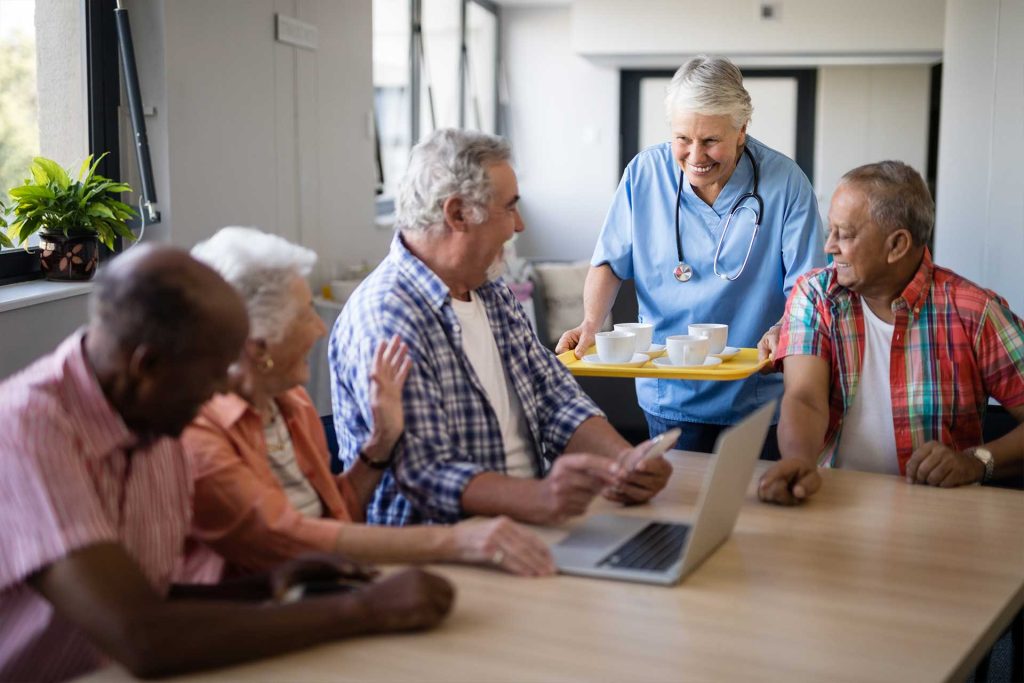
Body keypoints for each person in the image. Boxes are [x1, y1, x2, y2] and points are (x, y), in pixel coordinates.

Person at [0, 245, 453, 682]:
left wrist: (263, 587)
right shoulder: (27, 430)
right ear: (147, 365)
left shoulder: (154, 418)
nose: (221, 390)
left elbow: (148, 598)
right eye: (214, 372)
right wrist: (366, 609)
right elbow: (142, 636)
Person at [330, 128, 673, 526]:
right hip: (441, 551)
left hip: (525, 524)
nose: (520, 225)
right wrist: (540, 497)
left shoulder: (488, 288)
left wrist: (626, 462)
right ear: (457, 214)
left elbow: (553, 393)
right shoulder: (388, 316)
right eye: (509, 207)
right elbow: (427, 472)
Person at [183, 227, 554, 578]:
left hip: (318, 592)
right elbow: (288, 538)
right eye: (306, 314)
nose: (320, 328)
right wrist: (455, 541)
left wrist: (381, 442)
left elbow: (336, 519)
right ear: (257, 347)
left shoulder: (290, 403)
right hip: (256, 619)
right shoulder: (197, 436)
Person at [556, 55, 824, 458]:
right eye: (683, 138)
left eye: (711, 140)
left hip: (755, 395)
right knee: (674, 508)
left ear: (741, 130)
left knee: (756, 512)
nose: (695, 155)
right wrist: (592, 323)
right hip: (670, 392)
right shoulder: (644, 174)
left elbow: (808, 287)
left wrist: (782, 330)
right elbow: (610, 261)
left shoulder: (786, 183)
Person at [758, 161, 1024, 505]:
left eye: (846, 234)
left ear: (897, 245)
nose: (830, 246)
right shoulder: (816, 295)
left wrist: (976, 462)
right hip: (829, 499)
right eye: (831, 231)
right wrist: (798, 460)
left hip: (939, 511)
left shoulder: (975, 311)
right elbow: (804, 396)